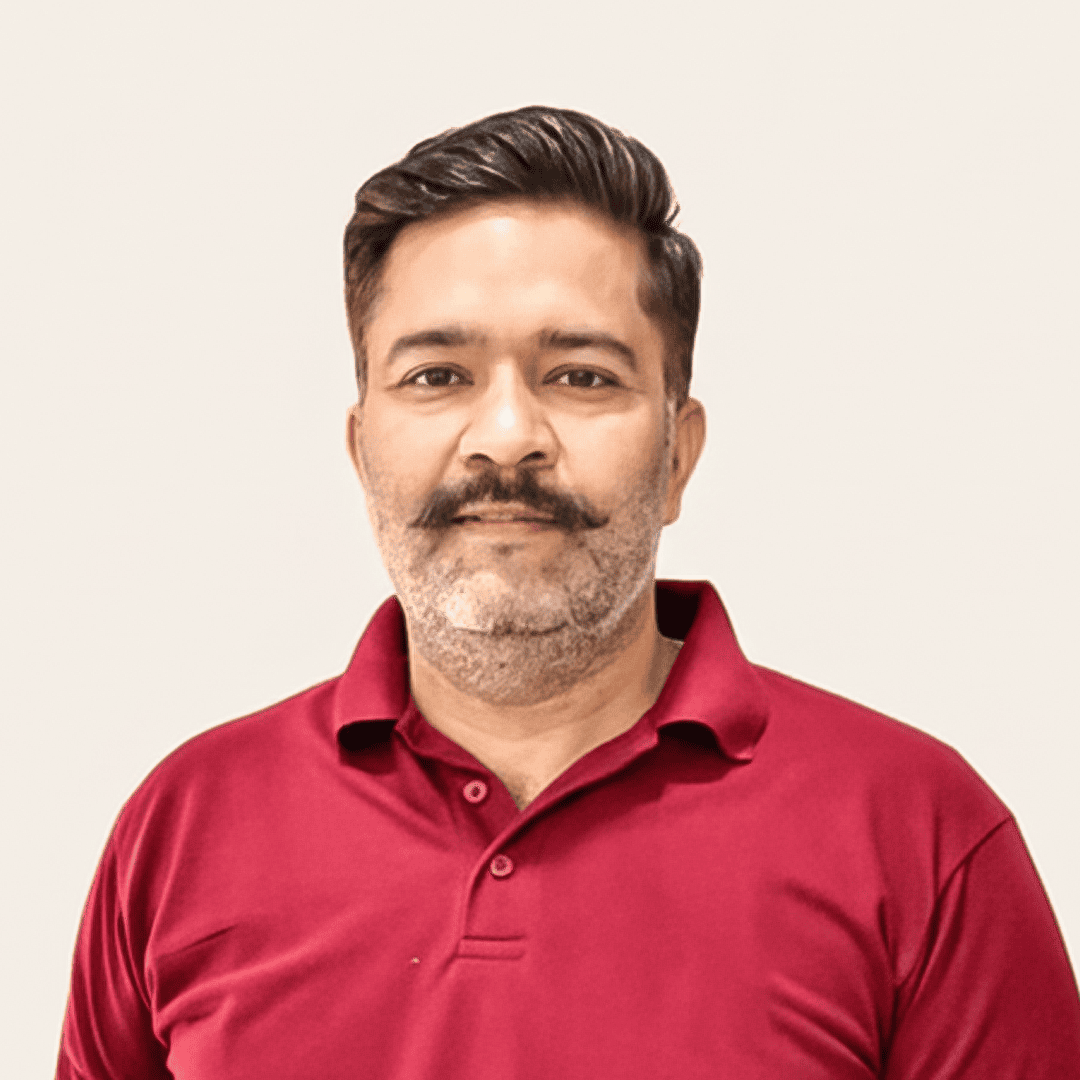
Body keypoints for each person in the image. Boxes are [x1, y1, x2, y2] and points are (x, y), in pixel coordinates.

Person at [56, 106, 1080, 1079]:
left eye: (582, 376)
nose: (507, 438)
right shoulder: (184, 827)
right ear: (363, 452)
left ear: (677, 455)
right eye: (437, 375)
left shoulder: (919, 833)